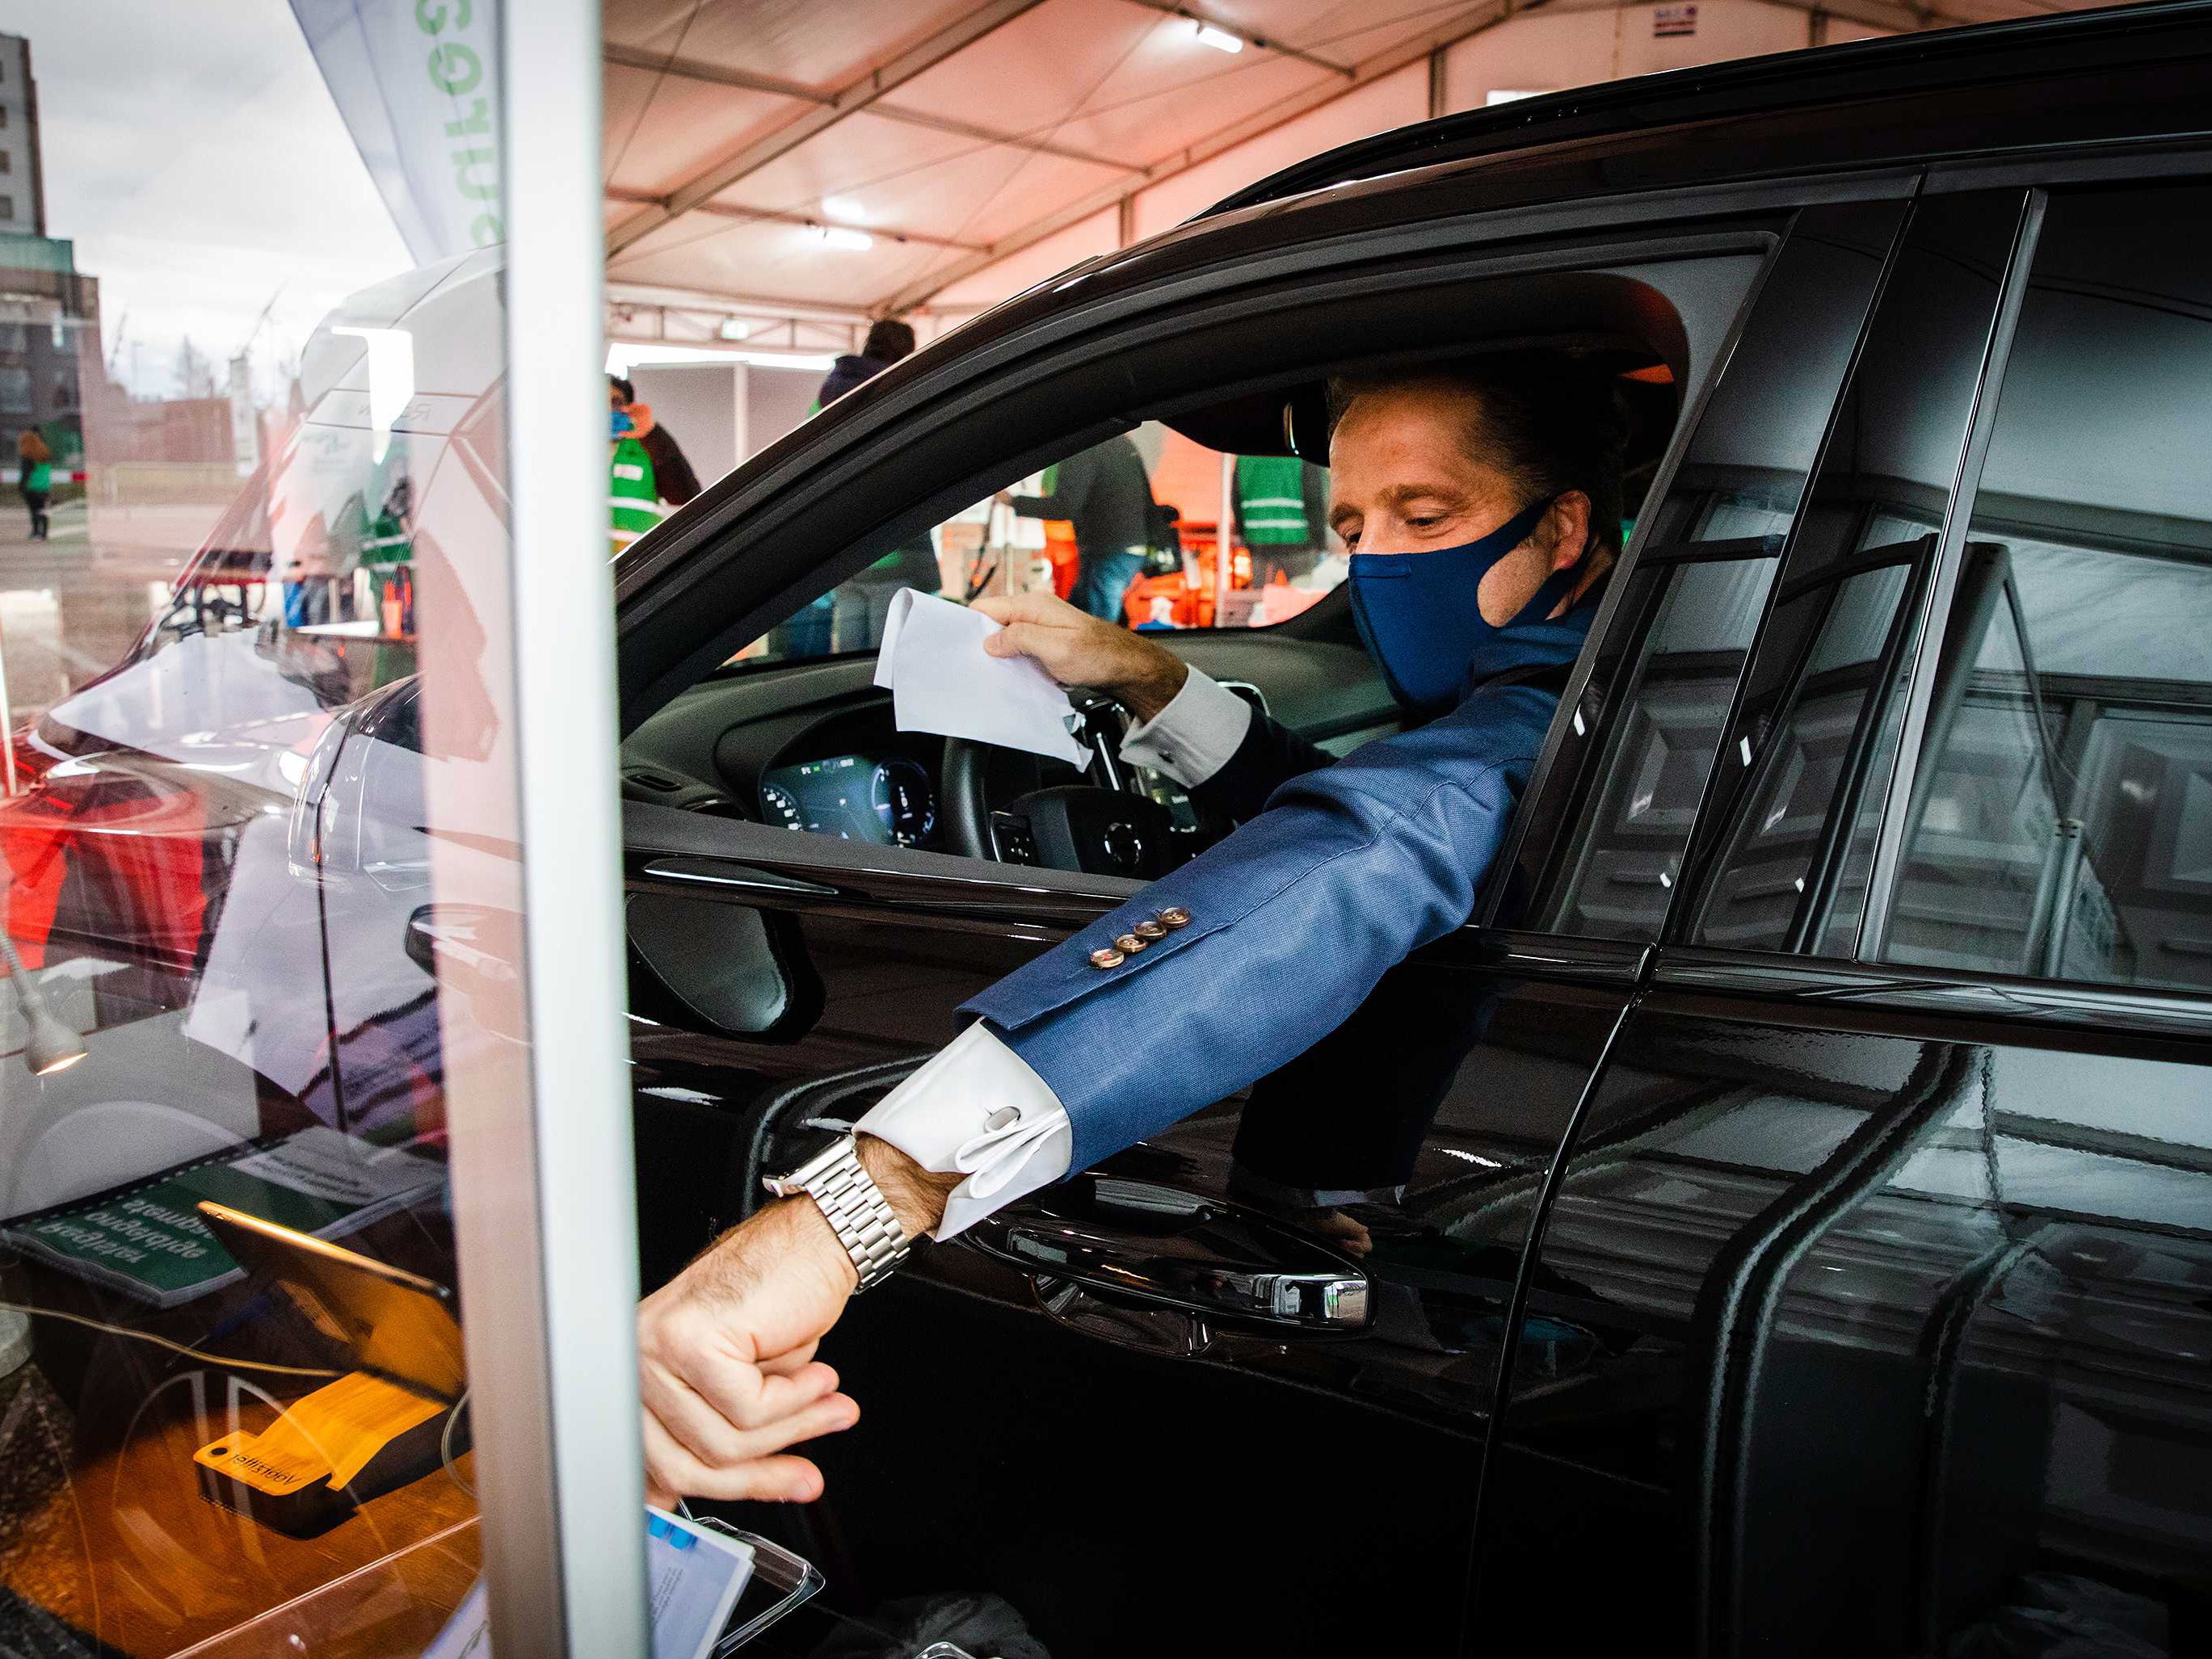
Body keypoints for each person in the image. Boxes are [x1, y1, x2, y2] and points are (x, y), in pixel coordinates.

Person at [633, 355, 1627, 1505]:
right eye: (1354, 525)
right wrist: (1143, 677)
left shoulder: (1535, 725)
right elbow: (1352, 811)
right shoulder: (1585, 675)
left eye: (1425, 514)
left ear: (1562, 529)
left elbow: (1362, 850)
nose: (1384, 561)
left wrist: (852, 1211)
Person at [813, 319, 940, 652]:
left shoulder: (825, 397)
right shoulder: (896, 395)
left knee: (849, 663)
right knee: (887, 663)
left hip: (842, 552)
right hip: (889, 549)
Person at [1002, 433, 1155, 624]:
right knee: (1080, 620)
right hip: (1127, 547)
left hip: (1106, 550)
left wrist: (1012, 501)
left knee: (1095, 631)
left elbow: (1065, 506)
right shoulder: (1120, 442)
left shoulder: (1081, 447)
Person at [1233, 452, 1331, 588]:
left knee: (1263, 602)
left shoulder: (1245, 456)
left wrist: (1241, 533)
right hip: (1298, 543)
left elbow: (1236, 498)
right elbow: (1314, 499)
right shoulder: (1301, 454)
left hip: (1258, 543)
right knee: (1304, 598)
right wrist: (1321, 543)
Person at [610, 376, 704, 508]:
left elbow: (686, 497)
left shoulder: (650, 445)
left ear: (630, 408)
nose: (607, 409)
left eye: (615, 403)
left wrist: (651, 433)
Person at [18, 430, 52, 541]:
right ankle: (44, 534)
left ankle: (36, 532)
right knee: (43, 511)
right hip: (45, 487)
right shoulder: (45, 455)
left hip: (31, 487)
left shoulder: (27, 457)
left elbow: (25, 474)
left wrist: (21, 487)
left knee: (34, 511)